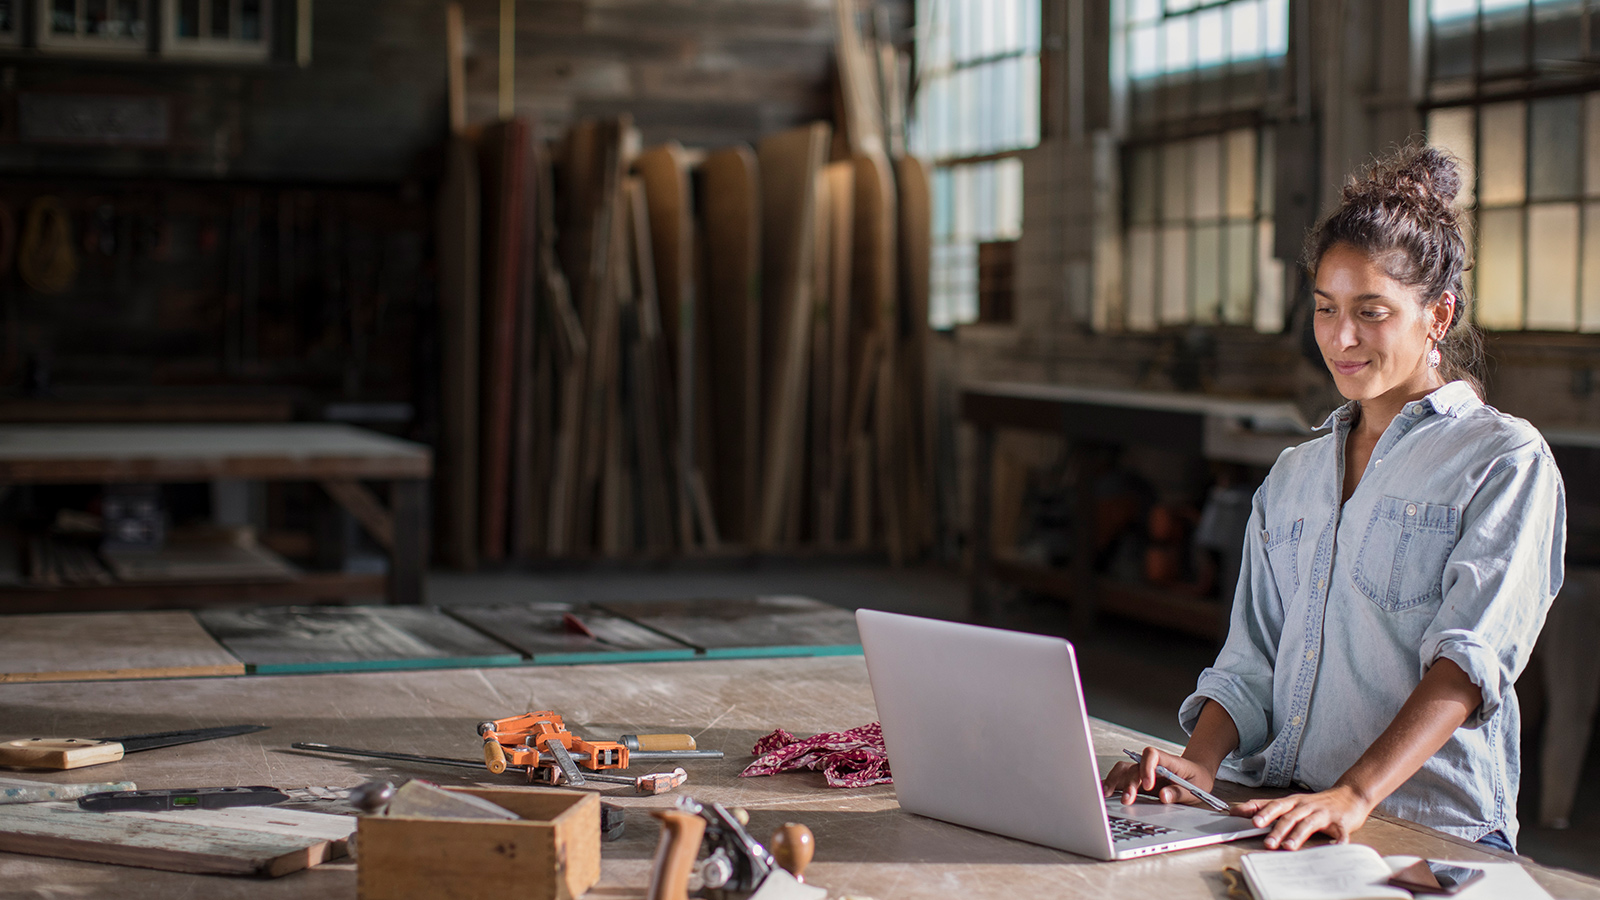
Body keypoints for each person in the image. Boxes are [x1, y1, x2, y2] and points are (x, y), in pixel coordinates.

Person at [1101, 145, 1566, 854]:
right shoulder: (1293, 475)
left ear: (1437, 316)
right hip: (1278, 810)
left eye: (1371, 312)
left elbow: (1469, 666)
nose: (1341, 338)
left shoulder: (1503, 461)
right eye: (1325, 309)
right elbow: (1250, 658)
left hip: (1423, 829)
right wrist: (1198, 764)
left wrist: (1354, 795)